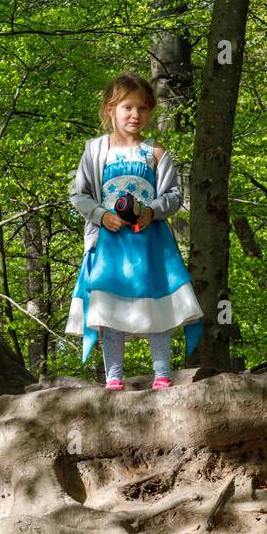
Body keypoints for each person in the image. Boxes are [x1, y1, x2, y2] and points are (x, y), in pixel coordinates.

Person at [65, 72, 204, 389]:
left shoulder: (155, 151)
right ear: (110, 109)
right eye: (127, 107)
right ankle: (114, 376)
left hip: (150, 241)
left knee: (157, 303)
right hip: (111, 242)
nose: (135, 115)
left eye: (143, 109)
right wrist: (101, 216)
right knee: (109, 305)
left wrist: (152, 211)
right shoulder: (97, 150)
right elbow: (79, 194)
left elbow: (173, 195)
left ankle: (162, 373)